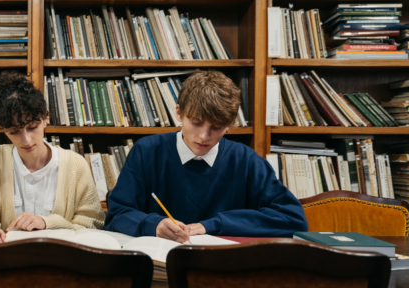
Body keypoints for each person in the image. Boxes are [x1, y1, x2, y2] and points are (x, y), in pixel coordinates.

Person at [105, 70, 308, 242]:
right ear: (179, 112)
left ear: (228, 124)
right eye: (195, 122)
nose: (204, 136)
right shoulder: (147, 151)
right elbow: (116, 215)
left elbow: (293, 218)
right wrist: (153, 225)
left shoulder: (245, 160)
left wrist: (214, 225)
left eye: (217, 127)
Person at [0, 72, 105, 244]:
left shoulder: (76, 165)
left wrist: (47, 222)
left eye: (32, 127)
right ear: (4, 130)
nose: (26, 140)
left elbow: (92, 224)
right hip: (6, 261)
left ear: (45, 119)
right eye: (14, 131)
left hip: (60, 262)